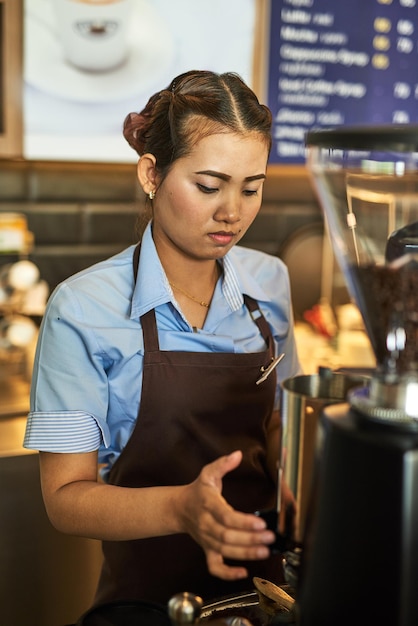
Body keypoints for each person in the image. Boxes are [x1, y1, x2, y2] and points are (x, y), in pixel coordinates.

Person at [23, 70, 302, 607]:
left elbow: (276, 417)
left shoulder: (270, 282)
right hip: (146, 602)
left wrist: (296, 472)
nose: (232, 212)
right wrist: (181, 509)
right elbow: (64, 499)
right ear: (151, 174)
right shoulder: (82, 309)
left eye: (252, 188)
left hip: (268, 594)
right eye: (208, 186)